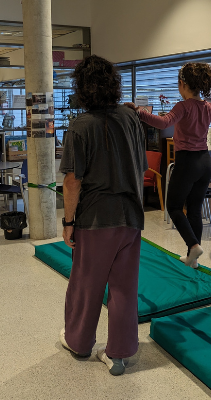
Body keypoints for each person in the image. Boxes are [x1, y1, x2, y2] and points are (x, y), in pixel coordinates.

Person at [59, 55, 148, 376]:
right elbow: (141, 166)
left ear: (81, 88)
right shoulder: (131, 119)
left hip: (95, 220)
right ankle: (119, 354)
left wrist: (68, 223)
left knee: (86, 284)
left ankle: (79, 342)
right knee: (124, 287)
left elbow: (72, 181)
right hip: (130, 216)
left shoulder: (80, 126)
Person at [126, 62, 211, 268]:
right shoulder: (208, 107)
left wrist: (139, 112)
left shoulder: (183, 107)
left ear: (182, 84)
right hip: (205, 163)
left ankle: (193, 245)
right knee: (195, 210)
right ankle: (192, 259)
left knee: (174, 207)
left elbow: (163, 123)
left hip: (187, 162)